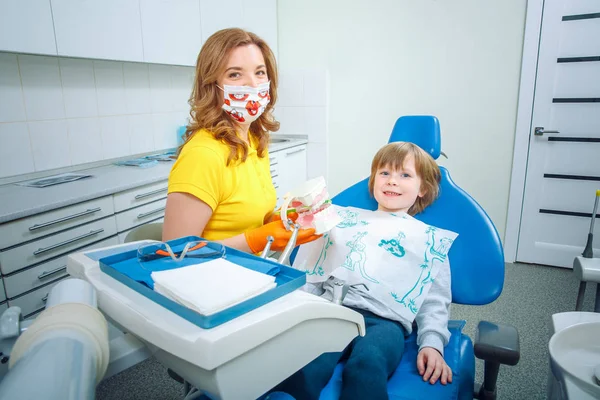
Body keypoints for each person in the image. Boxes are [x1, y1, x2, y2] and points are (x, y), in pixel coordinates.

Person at [270, 142, 455, 400]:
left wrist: (433, 344)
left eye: (405, 175)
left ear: (422, 188)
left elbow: (434, 303)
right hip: (332, 311)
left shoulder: (428, 242)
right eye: (385, 173)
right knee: (306, 364)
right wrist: (293, 313)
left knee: (368, 365)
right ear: (373, 181)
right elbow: (313, 273)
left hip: (386, 323)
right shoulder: (342, 222)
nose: (392, 181)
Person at [162, 28, 320, 254]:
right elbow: (175, 252)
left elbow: (247, 220)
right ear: (212, 85)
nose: (253, 85)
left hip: (251, 272)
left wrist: (282, 218)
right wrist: (258, 239)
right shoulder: (203, 154)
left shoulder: (255, 142)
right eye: (235, 74)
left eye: (260, 72)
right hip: (211, 279)